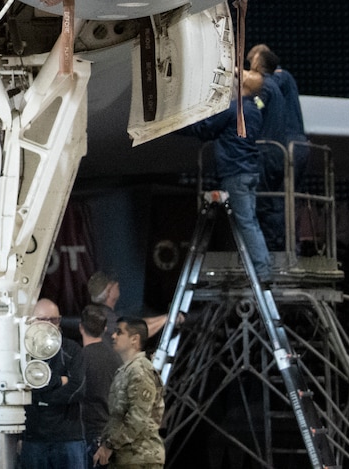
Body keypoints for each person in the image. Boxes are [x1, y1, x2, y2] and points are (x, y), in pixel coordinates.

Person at [183, 71, 274, 279]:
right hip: (248, 172)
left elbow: (205, 128)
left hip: (236, 173)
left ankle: (262, 271)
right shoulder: (254, 110)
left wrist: (175, 126)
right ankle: (262, 265)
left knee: (246, 223)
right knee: (250, 221)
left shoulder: (234, 110)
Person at [248, 45, 306, 253]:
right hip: (291, 146)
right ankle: (288, 246)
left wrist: (244, 80)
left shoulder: (279, 77)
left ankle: (278, 249)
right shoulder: (274, 89)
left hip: (286, 146)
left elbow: (263, 89)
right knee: (284, 200)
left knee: (277, 200)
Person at [20, 299, 85, 469]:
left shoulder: (72, 349)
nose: (48, 325)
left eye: (53, 320)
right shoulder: (22, 353)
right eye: (42, 319)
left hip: (68, 438)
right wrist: (59, 380)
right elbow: (22, 387)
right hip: (33, 438)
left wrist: (42, 395)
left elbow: (78, 388)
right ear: (31, 321)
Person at [96, 319, 163, 466]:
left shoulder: (140, 371)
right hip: (125, 456)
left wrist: (110, 445)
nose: (113, 336)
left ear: (134, 339)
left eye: (119, 332)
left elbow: (138, 418)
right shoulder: (127, 370)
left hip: (139, 457)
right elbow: (118, 416)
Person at [76, 303, 119, 465]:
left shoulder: (80, 359)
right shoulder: (116, 358)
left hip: (90, 434)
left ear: (81, 327)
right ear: (105, 329)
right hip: (111, 435)